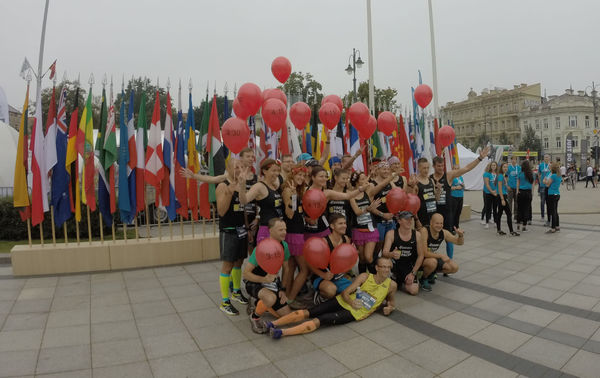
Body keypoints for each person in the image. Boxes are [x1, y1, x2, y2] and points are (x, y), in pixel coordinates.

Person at [263, 257, 397, 339]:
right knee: (309, 312)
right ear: (376, 268)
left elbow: (391, 301)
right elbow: (345, 293)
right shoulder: (365, 277)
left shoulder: (391, 285)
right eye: (383, 267)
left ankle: (282, 332)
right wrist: (351, 301)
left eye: (388, 267)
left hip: (353, 313)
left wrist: (390, 308)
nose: (386, 270)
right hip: (342, 301)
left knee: (320, 320)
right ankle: (272, 324)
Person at [243, 218, 292, 333]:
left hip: (272, 283)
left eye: (285, 229)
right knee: (270, 298)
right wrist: (264, 278)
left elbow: (286, 268)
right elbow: (246, 274)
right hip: (254, 283)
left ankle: (258, 303)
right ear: (270, 231)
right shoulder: (261, 248)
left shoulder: (284, 246)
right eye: (280, 230)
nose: (284, 232)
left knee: (287, 316)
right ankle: (254, 316)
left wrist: (283, 289)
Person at [214, 159, 248, 316]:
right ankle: (224, 301)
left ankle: (236, 291)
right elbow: (221, 211)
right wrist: (229, 191)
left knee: (239, 262)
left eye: (241, 167)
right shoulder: (222, 185)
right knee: (227, 265)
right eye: (236, 167)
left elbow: (243, 206)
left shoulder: (241, 184)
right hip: (228, 230)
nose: (239, 170)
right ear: (228, 169)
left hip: (241, 229)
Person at [349, 171, 398, 273]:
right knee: (362, 258)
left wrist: (392, 175)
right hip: (358, 230)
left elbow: (381, 185)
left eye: (366, 178)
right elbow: (357, 212)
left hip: (371, 229)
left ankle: (374, 278)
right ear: (357, 182)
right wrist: (368, 209)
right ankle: (363, 281)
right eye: (363, 179)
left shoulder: (368, 193)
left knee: (368, 257)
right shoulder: (351, 196)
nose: (366, 181)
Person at [304, 166, 366, 239]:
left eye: (325, 176)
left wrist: (360, 189)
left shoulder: (327, 193)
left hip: (323, 229)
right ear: (313, 177)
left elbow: (348, 196)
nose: (324, 179)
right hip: (306, 229)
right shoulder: (304, 191)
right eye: (321, 176)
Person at [281, 165, 310, 309]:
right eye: (298, 175)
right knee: (304, 270)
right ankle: (291, 298)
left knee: (291, 267)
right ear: (292, 175)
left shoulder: (298, 190)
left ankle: (285, 298)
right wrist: (292, 196)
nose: (301, 178)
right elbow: (290, 214)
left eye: (303, 176)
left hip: (296, 232)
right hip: (294, 234)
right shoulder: (288, 189)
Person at [310, 214, 353, 304]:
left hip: (337, 277)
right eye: (340, 223)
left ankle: (335, 295)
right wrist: (323, 275)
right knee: (330, 291)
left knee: (353, 291)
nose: (344, 226)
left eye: (345, 223)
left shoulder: (346, 239)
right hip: (321, 276)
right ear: (332, 226)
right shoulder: (323, 242)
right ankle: (319, 296)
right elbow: (309, 263)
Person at [239, 159, 284, 244]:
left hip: (278, 230)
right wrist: (242, 185)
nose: (276, 173)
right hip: (267, 230)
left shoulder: (274, 186)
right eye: (273, 170)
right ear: (264, 171)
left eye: (278, 171)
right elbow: (244, 201)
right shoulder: (259, 186)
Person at [381, 211, 425, 295]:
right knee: (384, 262)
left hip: (408, 265)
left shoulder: (417, 235)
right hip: (394, 265)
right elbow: (384, 253)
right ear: (399, 221)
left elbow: (421, 255)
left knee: (414, 291)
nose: (409, 221)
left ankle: (402, 280)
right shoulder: (391, 234)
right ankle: (395, 278)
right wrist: (391, 254)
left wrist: (413, 273)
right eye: (406, 219)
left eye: (411, 219)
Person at [420, 213, 463, 290]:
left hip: (432, 256)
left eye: (441, 223)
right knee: (432, 262)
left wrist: (460, 235)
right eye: (437, 223)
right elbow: (424, 253)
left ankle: (431, 273)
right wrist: (441, 256)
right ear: (431, 223)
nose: (439, 225)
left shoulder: (444, 232)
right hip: (420, 258)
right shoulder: (424, 231)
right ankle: (423, 278)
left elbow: (459, 242)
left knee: (454, 267)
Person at [495, 162, 519, 236]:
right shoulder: (500, 176)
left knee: (499, 213)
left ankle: (499, 230)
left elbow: (502, 186)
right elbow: (499, 187)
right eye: (504, 167)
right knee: (508, 213)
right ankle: (511, 231)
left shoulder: (503, 176)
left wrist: (506, 186)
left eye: (506, 167)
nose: (506, 168)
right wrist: (502, 199)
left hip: (502, 195)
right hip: (501, 196)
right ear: (501, 168)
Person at [543, 162, 562, 233]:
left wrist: (545, 180)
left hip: (551, 194)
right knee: (555, 211)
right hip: (557, 194)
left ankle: (553, 228)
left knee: (552, 211)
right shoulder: (559, 176)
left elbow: (547, 184)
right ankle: (557, 226)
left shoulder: (553, 176)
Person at [516, 160, 534, 232]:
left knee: (519, 209)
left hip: (520, 192)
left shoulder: (520, 174)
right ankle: (524, 226)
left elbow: (518, 183)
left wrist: (517, 192)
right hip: (528, 193)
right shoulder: (531, 174)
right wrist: (532, 193)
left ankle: (518, 225)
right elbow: (533, 185)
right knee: (526, 209)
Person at [482, 161, 498, 228]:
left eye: (494, 165)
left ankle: (495, 222)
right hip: (488, 193)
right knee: (488, 208)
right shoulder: (486, 174)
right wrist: (492, 191)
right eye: (492, 165)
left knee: (495, 208)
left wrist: (497, 191)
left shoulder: (498, 174)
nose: (493, 167)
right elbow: (487, 184)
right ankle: (487, 222)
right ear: (490, 166)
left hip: (496, 193)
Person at [449, 166, 465, 232]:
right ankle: (451, 228)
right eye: (454, 169)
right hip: (453, 197)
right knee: (453, 213)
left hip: (460, 196)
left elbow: (463, 186)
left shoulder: (461, 177)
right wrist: (456, 187)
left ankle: (457, 227)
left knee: (458, 213)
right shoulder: (451, 177)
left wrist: (463, 186)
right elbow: (448, 187)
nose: (456, 170)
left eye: (457, 168)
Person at [538, 154, 552, 225]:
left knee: (549, 202)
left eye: (547, 157)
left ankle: (549, 217)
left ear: (549, 158)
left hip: (549, 186)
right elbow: (539, 174)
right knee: (542, 201)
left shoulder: (551, 165)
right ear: (543, 158)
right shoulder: (541, 165)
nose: (546, 158)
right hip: (542, 186)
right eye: (545, 157)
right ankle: (542, 216)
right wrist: (540, 182)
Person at [506, 155, 520, 221]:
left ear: (516, 160)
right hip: (510, 187)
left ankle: (516, 216)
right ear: (511, 160)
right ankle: (509, 215)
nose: (514, 160)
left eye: (515, 159)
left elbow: (520, 177)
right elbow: (505, 176)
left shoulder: (519, 167)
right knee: (509, 202)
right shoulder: (509, 168)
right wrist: (507, 185)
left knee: (517, 202)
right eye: (512, 159)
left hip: (517, 188)